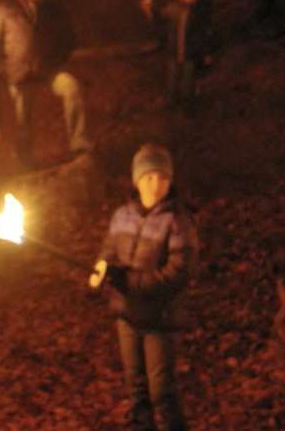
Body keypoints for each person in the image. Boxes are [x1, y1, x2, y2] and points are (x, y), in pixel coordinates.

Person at [91, 144, 198, 431]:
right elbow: (109, 250)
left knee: (162, 391)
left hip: (160, 319)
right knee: (137, 391)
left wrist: (130, 281)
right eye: (148, 177)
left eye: (162, 177)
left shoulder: (178, 221)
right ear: (136, 180)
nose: (155, 184)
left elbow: (178, 273)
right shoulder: (122, 216)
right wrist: (102, 268)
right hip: (127, 315)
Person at [0, 0, 91, 166]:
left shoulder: (53, 9)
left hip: (47, 70)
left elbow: (69, 38)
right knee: (21, 115)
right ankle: (24, 159)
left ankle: (80, 146)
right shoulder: (7, 9)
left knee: (71, 87)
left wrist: (56, 58)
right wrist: (0, 66)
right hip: (18, 72)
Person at [160, 0, 214, 108]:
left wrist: (206, 53)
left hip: (190, 53)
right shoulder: (173, 9)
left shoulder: (199, 14)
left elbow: (204, 34)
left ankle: (187, 103)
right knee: (172, 79)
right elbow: (160, 17)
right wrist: (149, 7)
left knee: (187, 80)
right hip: (173, 52)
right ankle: (171, 102)